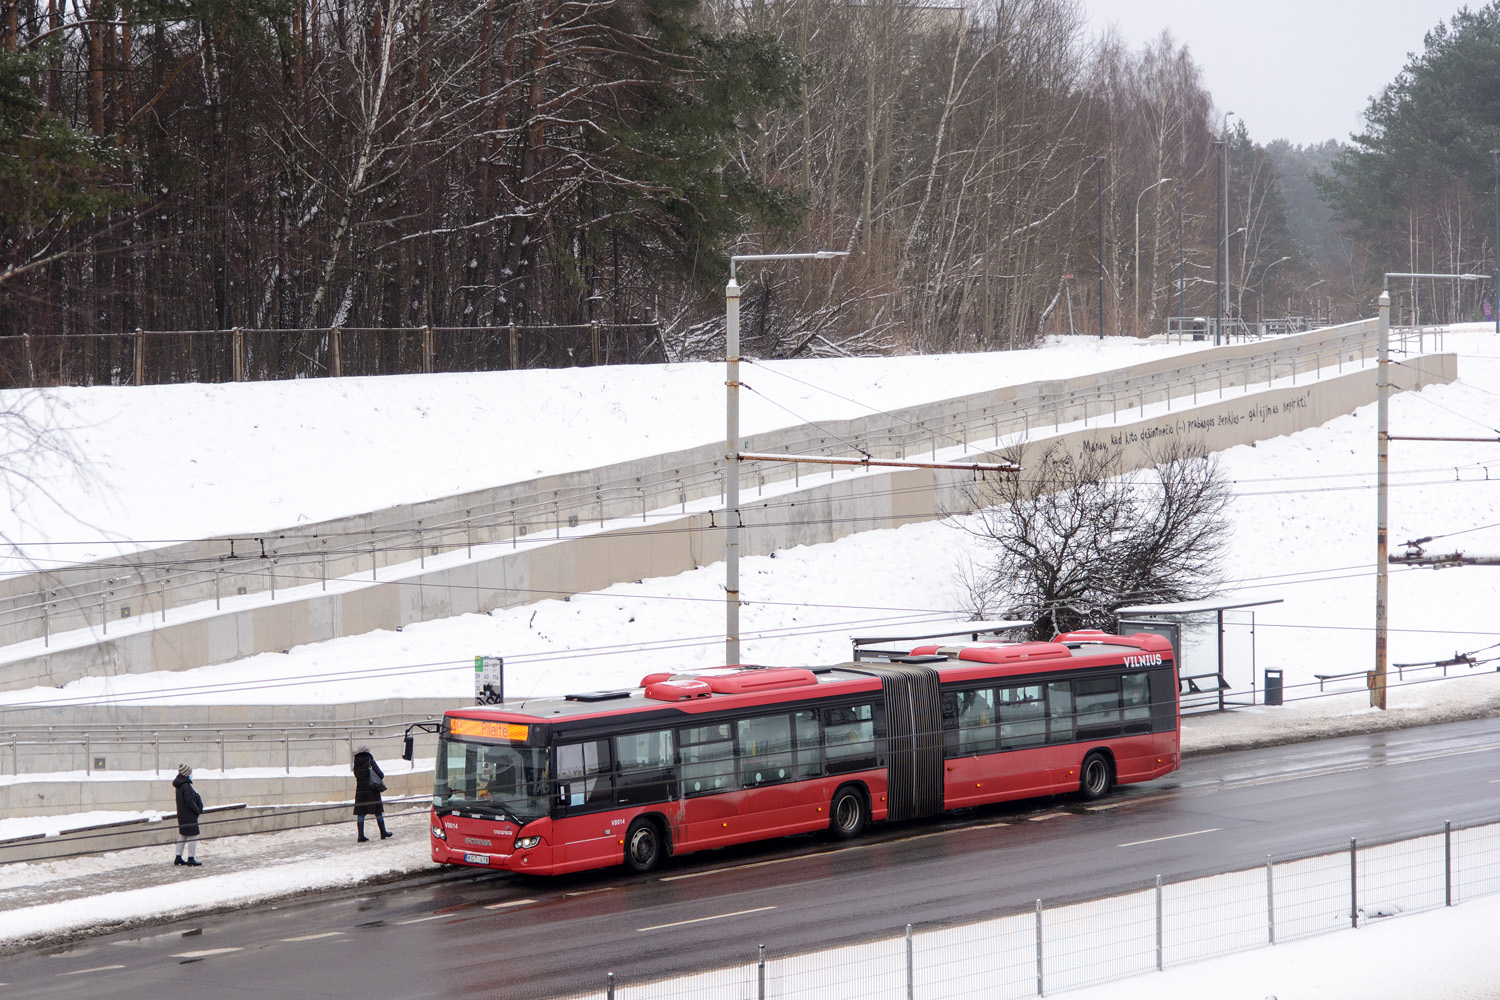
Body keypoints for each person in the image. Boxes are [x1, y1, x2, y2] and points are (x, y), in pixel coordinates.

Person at [352, 745, 392, 842]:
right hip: (372, 790)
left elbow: (356, 775)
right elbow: (380, 774)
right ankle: (383, 832)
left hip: (360, 791)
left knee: (361, 813)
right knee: (378, 811)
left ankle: (360, 835)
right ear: (367, 751)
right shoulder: (370, 761)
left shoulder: (356, 763)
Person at [172, 764, 204, 867]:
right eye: (190, 773)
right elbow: (189, 801)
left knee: (183, 835)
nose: (191, 775)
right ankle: (191, 858)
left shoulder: (179, 785)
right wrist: (197, 810)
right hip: (189, 815)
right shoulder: (186, 785)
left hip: (182, 815)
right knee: (193, 836)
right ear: (186, 774)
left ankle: (178, 857)